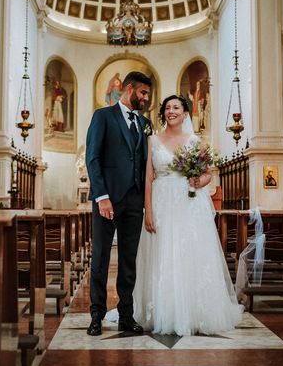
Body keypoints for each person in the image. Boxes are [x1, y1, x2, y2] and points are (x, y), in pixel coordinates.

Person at [133, 95, 243, 336]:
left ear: (185, 114)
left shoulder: (197, 142)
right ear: (163, 113)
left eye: (176, 108)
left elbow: (207, 176)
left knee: (190, 253)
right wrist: (148, 210)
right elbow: (148, 177)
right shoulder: (152, 140)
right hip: (161, 202)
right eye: (167, 108)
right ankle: (162, 310)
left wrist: (198, 180)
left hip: (189, 203)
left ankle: (193, 312)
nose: (171, 111)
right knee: (162, 253)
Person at [85, 71, 153, 336]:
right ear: (128, 89)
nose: (146, 98)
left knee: (128, 260)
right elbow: (93, 158)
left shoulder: (145, 122)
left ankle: (126, 314)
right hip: (108, 199)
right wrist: (101, 197)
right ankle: (96, 315)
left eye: (148, 94)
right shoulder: (103, 116)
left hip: (134, 201)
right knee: (100, 259)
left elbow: (145, 162)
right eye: (143, 93)